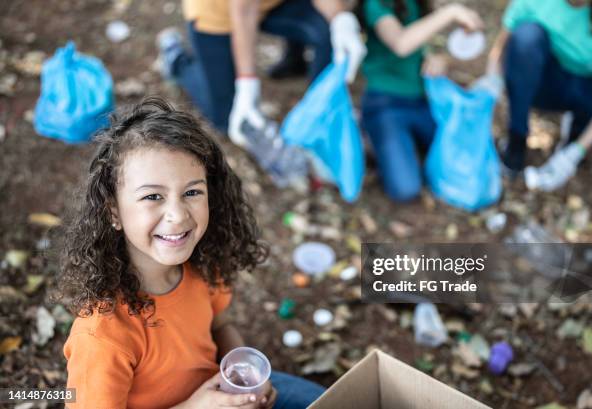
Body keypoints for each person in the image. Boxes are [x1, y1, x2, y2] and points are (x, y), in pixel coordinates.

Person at [59, 97, 325, 409]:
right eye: (153, 196)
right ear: (113, 212)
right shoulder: (102, 335)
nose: (178, 215)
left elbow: (220, 325)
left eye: (192, 192)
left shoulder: (202, 266)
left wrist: (245, 373)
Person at [158, 0, 366, 149]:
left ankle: (317, 108)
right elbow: (245, 9)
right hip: (219, 13)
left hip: (272, 5)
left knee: (326, 29)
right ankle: (178, 61)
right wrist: (247, 85)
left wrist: (341, 20)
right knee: (225, 118)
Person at [358, 0, 483, 201]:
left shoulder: (416, 3)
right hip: (385, 104)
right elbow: (401, 43)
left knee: (463, 156)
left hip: (422, 102)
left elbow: (421, 43)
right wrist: (451, 12)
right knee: (406, 188)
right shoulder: (375, 5)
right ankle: (372, 140)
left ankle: (401, 145)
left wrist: (442, 59)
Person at [487, 0, 592, 191]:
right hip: (541, 82)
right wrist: (490, 87)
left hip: (587, 92)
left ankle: (574, 141)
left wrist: (575, 153)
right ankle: (516, 140)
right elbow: (499, 50)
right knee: (526, 37)